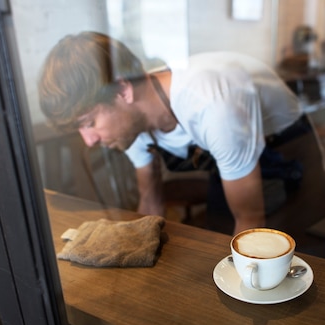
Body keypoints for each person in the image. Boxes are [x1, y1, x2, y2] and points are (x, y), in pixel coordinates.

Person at [38, 31, 307, 235]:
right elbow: (150, 198)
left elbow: (251, 220)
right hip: (232, 155)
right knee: (218, 233)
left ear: (123, 90)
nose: (89, 140)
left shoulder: (213, 104)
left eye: (89, 122)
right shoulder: (130, 121)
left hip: (288, 147)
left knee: (300, 251)